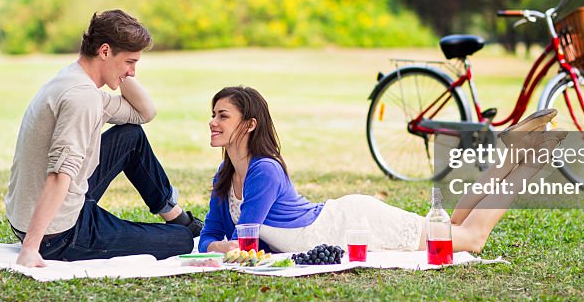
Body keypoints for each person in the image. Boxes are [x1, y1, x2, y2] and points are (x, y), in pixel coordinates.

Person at [198, 86, 562, 255]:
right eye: (214, 114)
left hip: (350, 224)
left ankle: (527, 161)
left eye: (222, 116)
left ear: (248, 125)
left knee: (471, 240)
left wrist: (222, 246)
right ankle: (511, 154)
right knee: (450, 229)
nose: (213, 122)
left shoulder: (264, 170)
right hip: (339, 223)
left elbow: (245, 241)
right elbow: (212, 236)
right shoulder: (225, 175)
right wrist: (216, 244)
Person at [5, 9, 201, 267]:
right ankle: (182, 228)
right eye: (130, 62)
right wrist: (31, 247)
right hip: (59, 233)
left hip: (36, 213)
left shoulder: (73, 78)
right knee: (181, 241)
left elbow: (144, 113)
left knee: (130, 136)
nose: (132, 73)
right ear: (105, 51)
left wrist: (118, 74)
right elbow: (59, 174)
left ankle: (175, 216)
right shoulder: (82, 97)